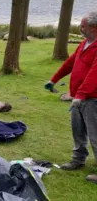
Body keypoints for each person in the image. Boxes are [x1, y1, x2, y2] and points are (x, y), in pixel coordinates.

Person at [45, 12, 97, 183]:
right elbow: (70, 63)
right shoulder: (84, 44)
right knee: (78, 131)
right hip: (78, 98)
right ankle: (78, 160)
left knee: (95, 134)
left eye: (83, 26)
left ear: (93, 28)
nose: (80, 28)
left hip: (92, 99)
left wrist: (81, 95)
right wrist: (54, 79)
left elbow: (94, 74)